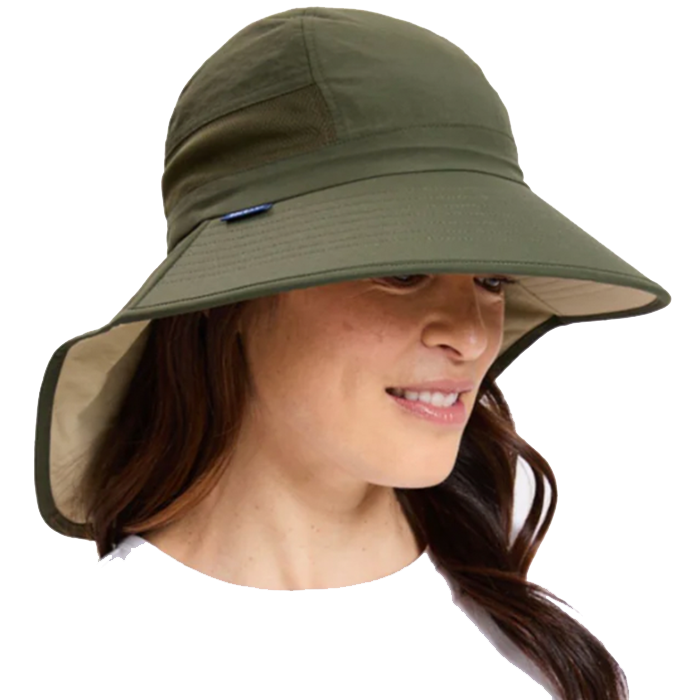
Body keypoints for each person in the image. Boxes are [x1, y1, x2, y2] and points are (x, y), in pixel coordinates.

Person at [33, 7, 671, 700]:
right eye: (402, 272)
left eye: (492, 281)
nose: (473, 337)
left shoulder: (555, 598)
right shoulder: (86, 668)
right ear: (230, 298)